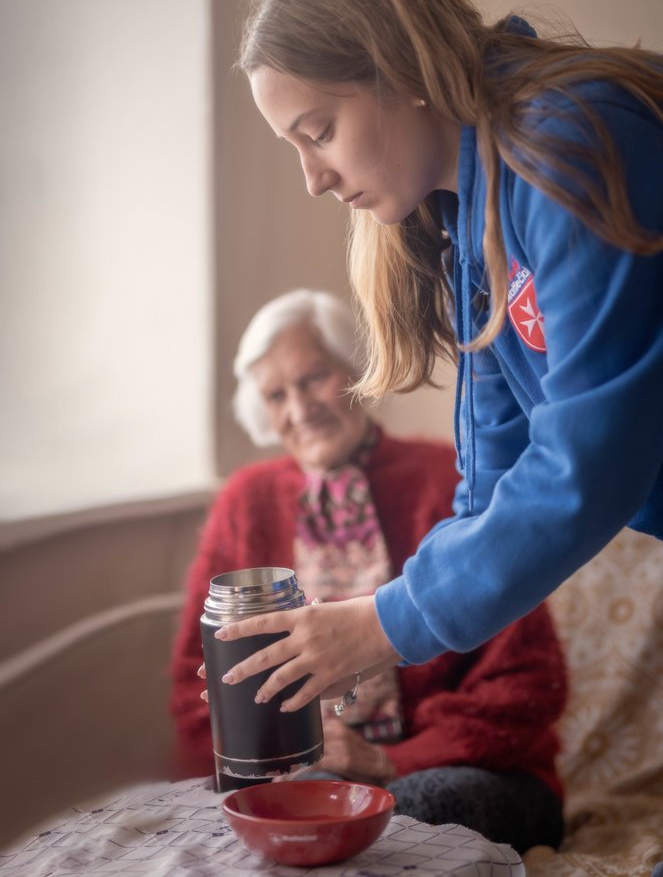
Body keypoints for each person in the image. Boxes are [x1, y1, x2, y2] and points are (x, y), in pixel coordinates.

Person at [213, 0, 663, 730]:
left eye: (318, 132)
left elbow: (589, 468)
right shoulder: (467, 224)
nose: (312, 180)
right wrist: (371, 621)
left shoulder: (566, 144)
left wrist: (384, 624)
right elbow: (492, 483)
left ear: (401, 69)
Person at [170, 289, 568, 851]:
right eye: (276, 395)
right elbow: (197, 681)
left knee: (391, 823)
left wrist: (387, 760)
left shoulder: (453, 479)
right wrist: (265, 763)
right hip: (308, 780)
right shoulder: (245, 502)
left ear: (354, 371)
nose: (299, 409)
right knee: (296, 815)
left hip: (474, 773)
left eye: (312, 378)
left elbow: (527, 683)